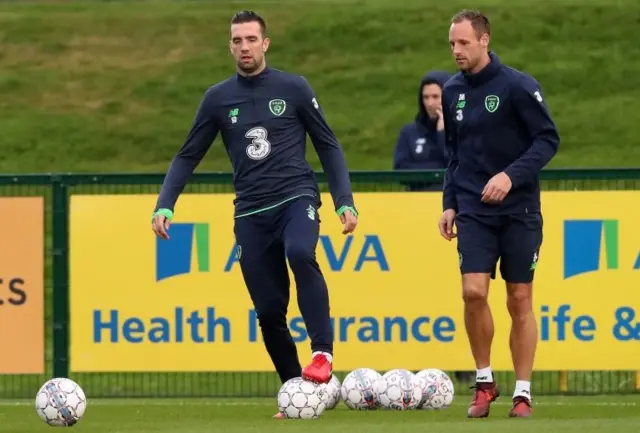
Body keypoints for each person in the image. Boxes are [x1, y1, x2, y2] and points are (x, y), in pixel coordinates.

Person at [150, 10, 358, 418]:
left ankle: (322, 353)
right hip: (250, 210)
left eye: (250, 39)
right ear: (230, 46)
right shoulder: (217, 98)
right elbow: (188, 154)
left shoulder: (293, 88)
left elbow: (328, 144)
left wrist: (343, 200)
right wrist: (165, 202)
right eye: (236, 41)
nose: (243, 47)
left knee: (301, 252)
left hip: (295, 196)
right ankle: (294, 392)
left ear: (265, 43)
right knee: (268, 311)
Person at [438, 9, 560, 419]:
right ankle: (485, 382)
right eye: (452, 43)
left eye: (464, 43)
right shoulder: (451, 91)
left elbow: (547, 140)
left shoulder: (519, 86)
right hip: (473, 208)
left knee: (519, 297)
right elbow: (453, 155)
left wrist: (510, 176)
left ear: (484, 40)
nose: (457, 50)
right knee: (473, 291)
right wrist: (449, 202)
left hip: (519, 208)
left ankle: (522, 393)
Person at [393, 71, 450, 191]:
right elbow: (401, 171)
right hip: (416, 201)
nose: (430, 103)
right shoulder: (409, 132)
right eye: (425, 97)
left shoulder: (463, 129)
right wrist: (439, 170)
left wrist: (442, 134)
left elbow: (458, 166)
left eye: (435, 97)